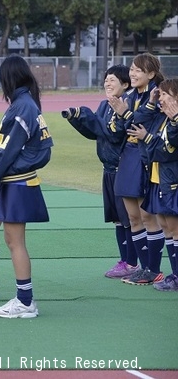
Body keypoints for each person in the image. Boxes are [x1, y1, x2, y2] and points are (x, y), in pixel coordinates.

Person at [0, 54, 53, 318]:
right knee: (12, 240)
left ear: (8, 78)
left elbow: (6, 153)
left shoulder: (21, 107)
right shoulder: (25, 103)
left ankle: (25, 302)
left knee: (15, 242)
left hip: (17, 183)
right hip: (17, 181)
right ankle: (23, 299)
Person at [62, 64, 139, 278]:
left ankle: (132, 263)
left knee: (129, 220)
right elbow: (95, 132)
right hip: (108, 170)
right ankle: (124, 260)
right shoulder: (105, 106)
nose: (107, 83)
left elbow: (114, 135)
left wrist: (86, 115)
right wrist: (76, 119)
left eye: (113, 80)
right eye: (106, 79)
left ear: (126, 84)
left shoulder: (126, 106)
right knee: (117, 219)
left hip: (124, 170)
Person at [108, 53, 165, 285]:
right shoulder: (130, 96)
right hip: (128, 156)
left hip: (146, 157)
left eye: (138, 70)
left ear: (151, 74)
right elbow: (120, 127)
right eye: (131, 69)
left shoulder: (158, 94)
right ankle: (143, 269)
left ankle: (154, 269)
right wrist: (124, 115)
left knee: (148, 216)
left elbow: (138, 122)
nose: (132, 73)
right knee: (133, 217)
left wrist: (126, 114)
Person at [126, 78, 178, 290]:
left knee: (175, 229)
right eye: (161, 94)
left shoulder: (174, 121)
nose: (162, 99)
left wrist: (148, 138)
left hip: (171, 181)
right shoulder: (162, 117)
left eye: (166, 95)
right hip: (157, 180)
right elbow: (138, 122)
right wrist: (152, 100)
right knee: (165, 226)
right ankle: (174, 275)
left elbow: (166, 150)